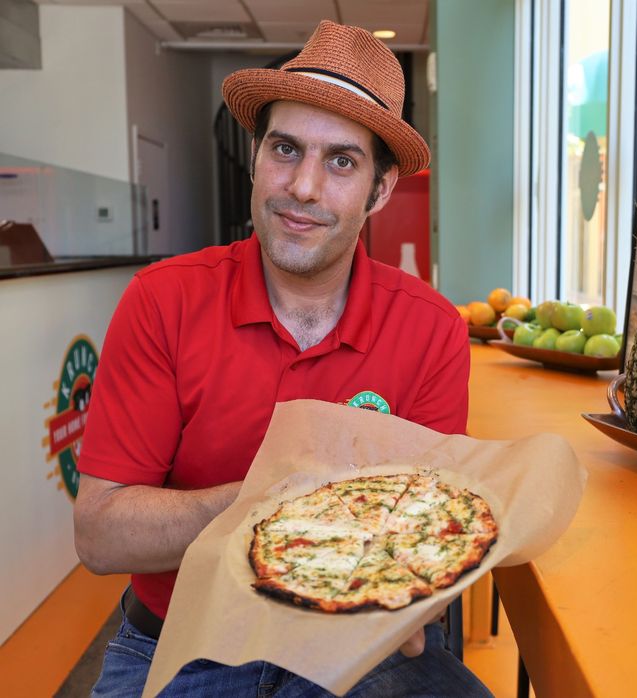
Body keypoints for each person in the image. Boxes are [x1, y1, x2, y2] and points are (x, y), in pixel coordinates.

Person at [74, 19, 490, 697]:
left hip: (356, 647)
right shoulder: (161, 302)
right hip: (179, 644)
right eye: (285, 149)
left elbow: (426, 563)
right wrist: (271, 506)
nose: (301, 187)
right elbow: (99, 537)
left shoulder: (431, 329)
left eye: (341, 161)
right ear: (256, 154)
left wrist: (417, 593)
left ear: (379, 191)